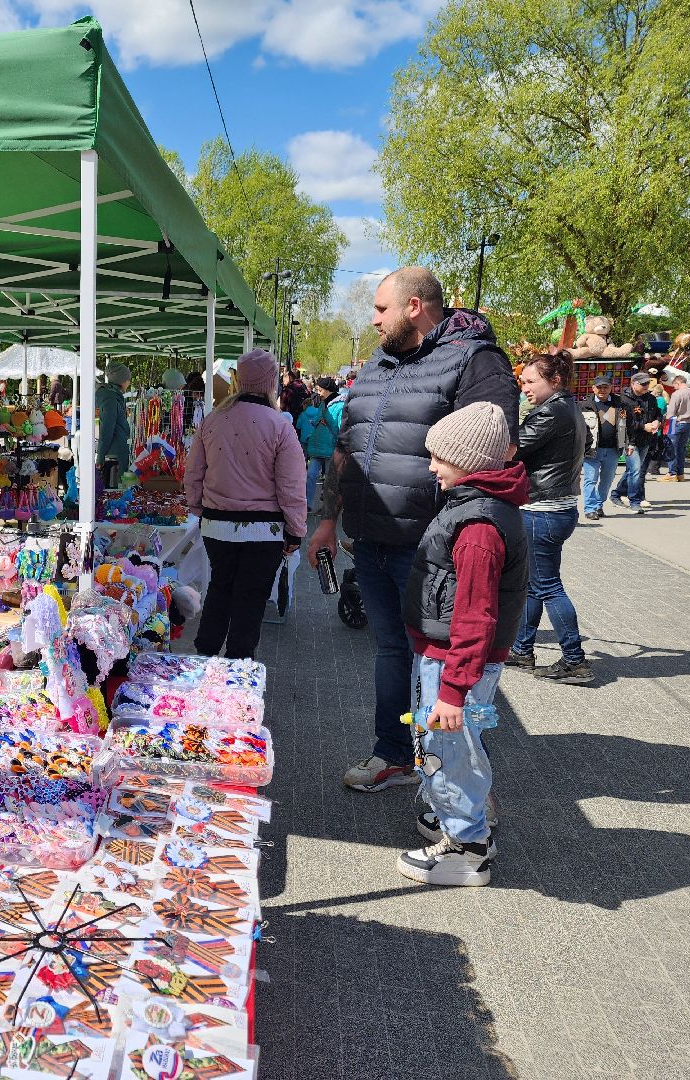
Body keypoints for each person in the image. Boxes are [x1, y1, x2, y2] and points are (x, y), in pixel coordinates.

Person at [309, 266, 519, 793]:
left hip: (432, 550)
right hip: (372, 539)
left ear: (415, 306)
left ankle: (456, 794)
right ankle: (395, 755)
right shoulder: (378, 364)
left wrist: (464, 533)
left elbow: (490, 449)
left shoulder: (475, 360)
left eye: (381, 309)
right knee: (390, 652)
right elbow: (346, 448)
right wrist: (328, 519)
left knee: (442, 669)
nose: (373, 319)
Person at [398, 402, 528, 886]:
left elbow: (475, 616)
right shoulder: (473, 509)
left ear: (470, 462)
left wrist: (454, 689)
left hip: (454, 661)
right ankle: (450, 813)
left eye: (440, 458)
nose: (431, 466)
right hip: (445, 655)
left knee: (451, 748)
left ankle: (468, 845)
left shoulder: (477, 528)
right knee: (446, 743)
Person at [184, 349, 306, 660]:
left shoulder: (212, 420)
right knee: (250, 600)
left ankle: (204, 659)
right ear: (270, 382)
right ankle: (237, 668)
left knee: (220, 589)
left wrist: (199, 509)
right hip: (263, 533)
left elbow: (194, 472)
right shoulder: (279, 426)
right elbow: (291, 486)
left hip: (217, 527)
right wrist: (295, 531)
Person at [509, 350, 590, 683]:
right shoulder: (566, 407)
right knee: (534, 584)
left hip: (543, 510)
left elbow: (512, 449)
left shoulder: (551, 412)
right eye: (522, 381)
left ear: (554, 380)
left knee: (548, 586)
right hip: (554, 507)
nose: (525, 387)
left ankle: (575, 660)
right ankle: (521, 649)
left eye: (531, 381)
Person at [611, 373, 662, 513]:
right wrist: (643, 426)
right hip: (629, 440)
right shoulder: (621, 400)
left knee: (632, 470)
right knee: (636, 470)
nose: (646, 386)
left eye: (647, 383)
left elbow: (658, 413)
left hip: (646, 439)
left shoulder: (651, 398)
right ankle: (635, 501)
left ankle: (616, 494)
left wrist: (657, 421)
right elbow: (621, 422)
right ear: (633, 383)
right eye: (643, 384)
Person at [580, 373, 625, 521]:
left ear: (611, 388)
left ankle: (599, 504)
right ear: (593, 388)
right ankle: (590, 508)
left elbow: (625, 425)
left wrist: (626, 443)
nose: (602, 390)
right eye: (599, 387)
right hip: (592, 449)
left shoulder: (620, 403)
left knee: (606, 480)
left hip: (613, 450)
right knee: (590, 480)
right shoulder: (585, 405)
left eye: (605, 387)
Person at [295, 376, 342, 510]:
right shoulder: (322, 404)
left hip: (330, 447)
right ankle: (307, 504)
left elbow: (340, 427)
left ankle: (328, 507)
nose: (318, 393)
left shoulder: (340, 405)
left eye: (320, 390)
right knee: (310, 476)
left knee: (329, 480)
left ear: (328, 390)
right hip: (317, 446)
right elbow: (317, 420)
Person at [95, 362, 133, 484]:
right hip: (113, 456)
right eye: (128, 379)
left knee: (119, 490)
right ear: (122, 381)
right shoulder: (110, 399)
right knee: (114, 491)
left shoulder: (114, 396)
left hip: (117, 452)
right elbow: (106, 430)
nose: (129, 382)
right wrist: (100, 457)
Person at [659, 374, 690, 482]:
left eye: (674, 386)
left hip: (675, 422)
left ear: (678, 383)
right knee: (681, 449)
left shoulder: (677, 394)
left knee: (671, 448)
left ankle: (672, 473)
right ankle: (680, 474)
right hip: (688, 423)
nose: (674, 388)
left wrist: (664, 421)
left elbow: (671, 411)